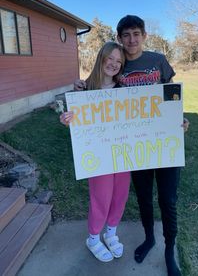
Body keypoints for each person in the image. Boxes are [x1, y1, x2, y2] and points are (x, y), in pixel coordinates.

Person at [75, 15, 189, 276]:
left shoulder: (158, 60)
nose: (131, 39)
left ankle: (169, 250)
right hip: (134, 146)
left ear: (144, 35)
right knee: (144, 198)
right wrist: (79, 90)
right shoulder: (119, 65)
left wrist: (178, 117)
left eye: (136, 34)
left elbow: (171, 93)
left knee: (168, 200)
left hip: (163, 142)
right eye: (126, 35)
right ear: (119, 38)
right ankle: (149, 239)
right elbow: (99, 90)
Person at [60, 42, 130, 263]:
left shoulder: (125, 90)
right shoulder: (84, 89)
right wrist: (66, 119)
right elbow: (75, 120)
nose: (114, 64)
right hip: (98, 155)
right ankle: (93, 237)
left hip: (122, 152)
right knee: (101, 196)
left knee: (120, 194)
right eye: (111, 58)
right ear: (101, 58)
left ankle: (111, 232)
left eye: (119, 61)